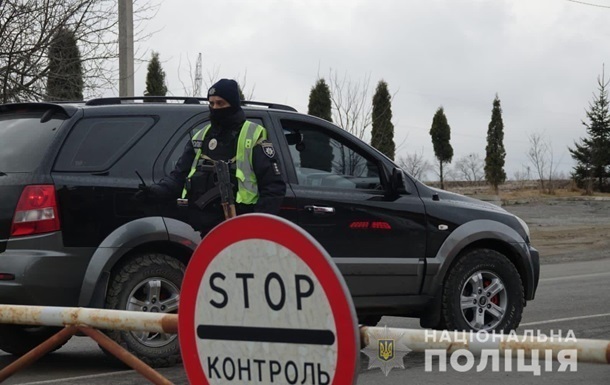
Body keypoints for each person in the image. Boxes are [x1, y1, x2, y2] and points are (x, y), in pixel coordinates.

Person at [135, 78, 286, 233]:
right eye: (211, 103)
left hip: (241, 226)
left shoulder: (252, 135)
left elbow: (273, 187)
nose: (215, 108)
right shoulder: (201, 137)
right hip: (204, 229)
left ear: (233, 105)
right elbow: (178, 177)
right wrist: (156, 192)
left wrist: (256, 225)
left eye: (220, 103)